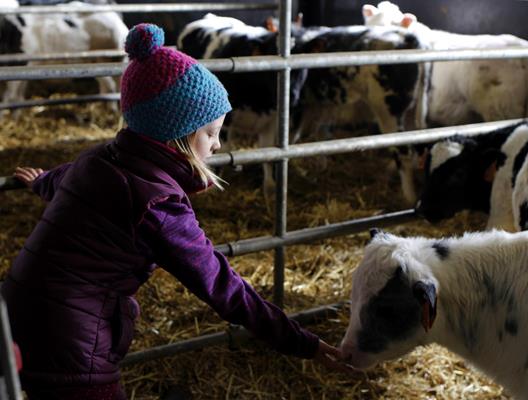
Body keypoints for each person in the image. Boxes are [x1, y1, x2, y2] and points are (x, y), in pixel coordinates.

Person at [4, 23, 353, 400]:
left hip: (11, 316)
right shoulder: (158, 205)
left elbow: (63, 181)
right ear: (178, 134)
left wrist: (41, 181)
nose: (218, 145)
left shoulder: (97, 160)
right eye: (210, 133)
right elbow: (222, 286)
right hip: (70, 344)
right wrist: (305, 344)